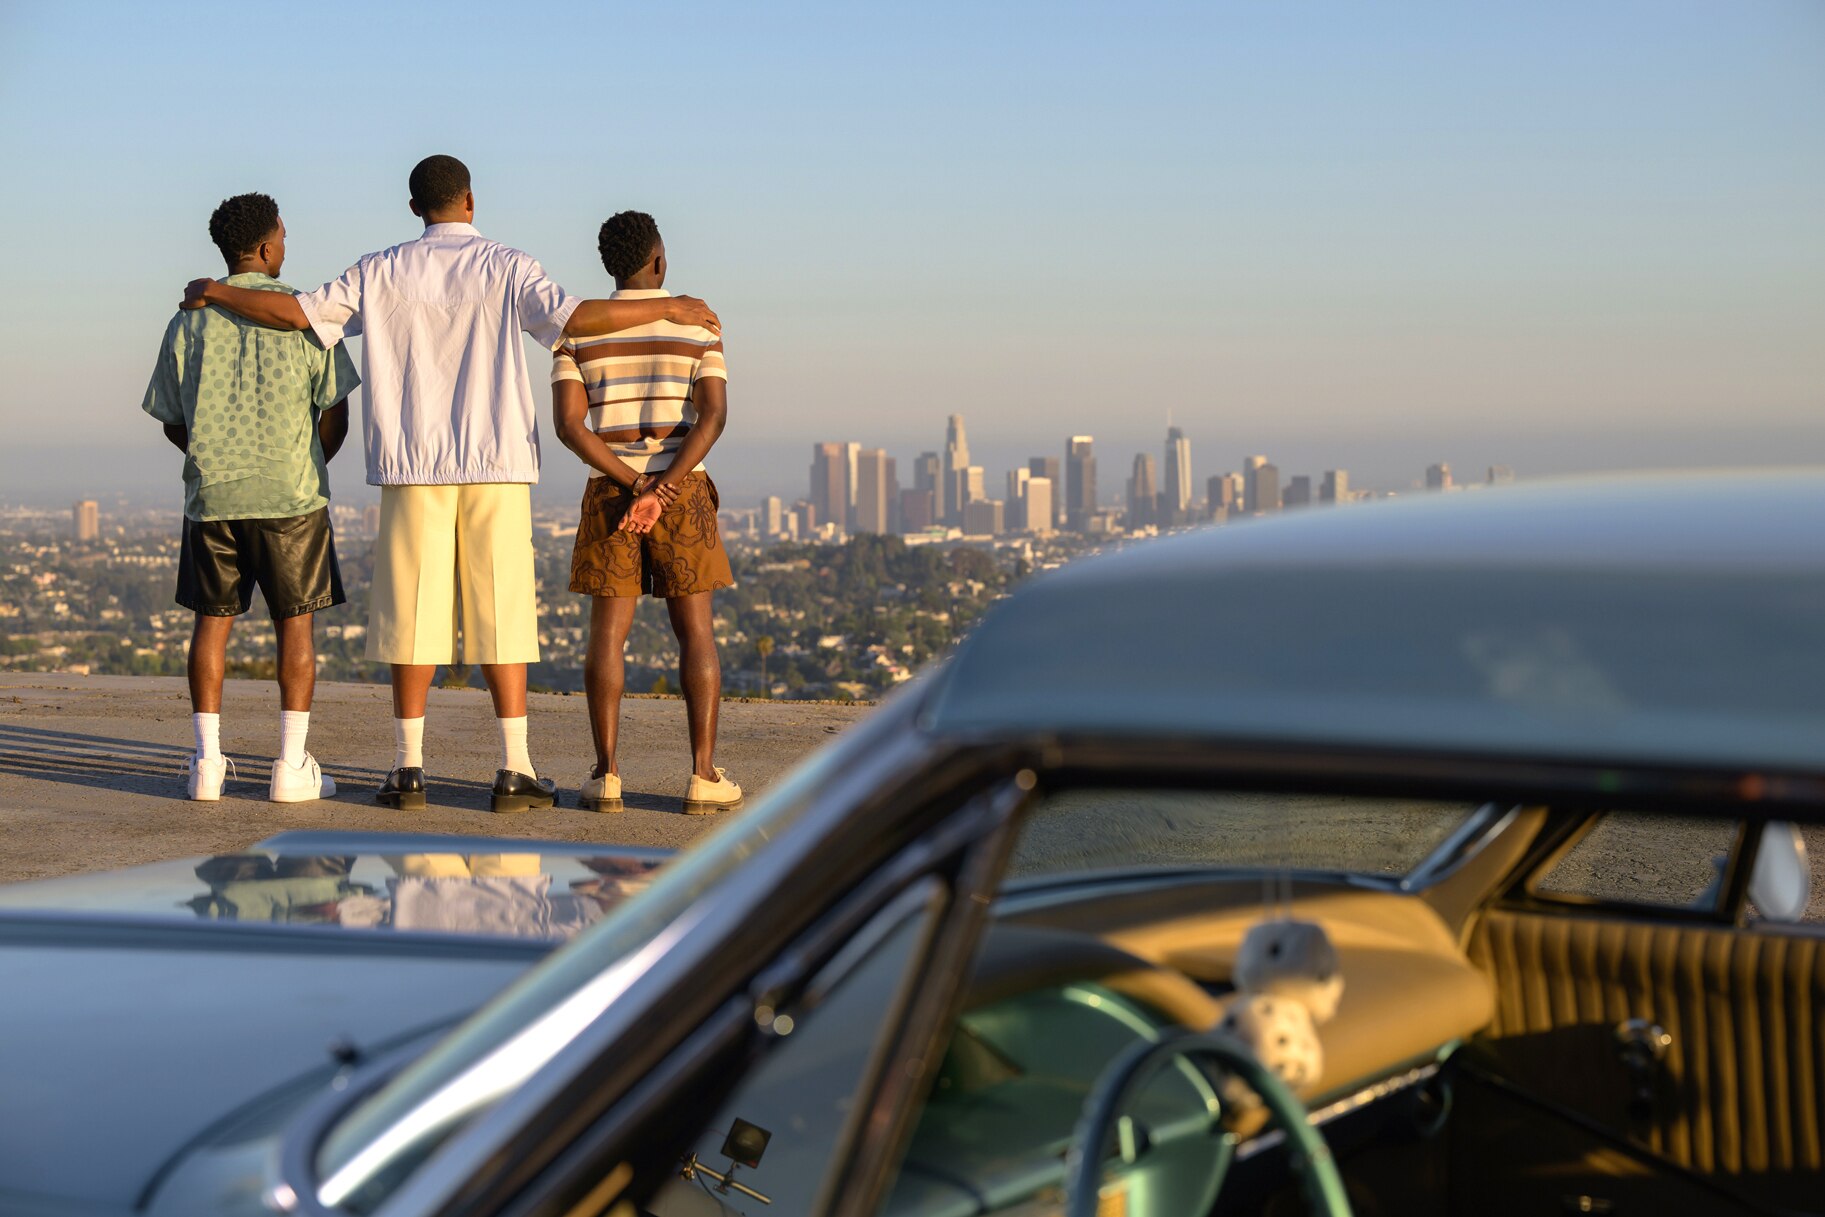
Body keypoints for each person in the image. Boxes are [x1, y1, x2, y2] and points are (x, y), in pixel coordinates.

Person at [180, 156, 720, 814]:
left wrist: (215, 291)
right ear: (470, 200)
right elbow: (574, 320)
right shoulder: (506, 264)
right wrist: (671, 305)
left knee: (410, 619)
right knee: (502, 616)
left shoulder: (377, 269)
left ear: (414, 207)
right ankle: (513, 768)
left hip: (412, 464)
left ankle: (408, 768)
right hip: (494, 460)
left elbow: (296, 313)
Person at [144, 192, 357, 803]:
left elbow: (168, 417)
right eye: (284, 236)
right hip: (292, 493)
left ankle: (207, 765)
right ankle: (291, 767)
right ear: (266, 248)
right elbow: (335, 411)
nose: (287, 245)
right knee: (296, 631)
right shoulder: (307, 315)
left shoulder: (188, 318)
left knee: (210, 630)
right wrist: (310, 461)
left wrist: (212, 456)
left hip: (214, 496)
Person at [552, 210, 741, 815]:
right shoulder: (699, 323)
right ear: (659, 260)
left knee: (609, 635)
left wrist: (634, 484)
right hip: (682, 491)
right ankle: (702, 776)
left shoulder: (576, 331)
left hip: (612, 490)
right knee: (696, 633)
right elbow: (712, 416)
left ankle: (606, 775)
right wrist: (662, 489)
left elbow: (568, 425)